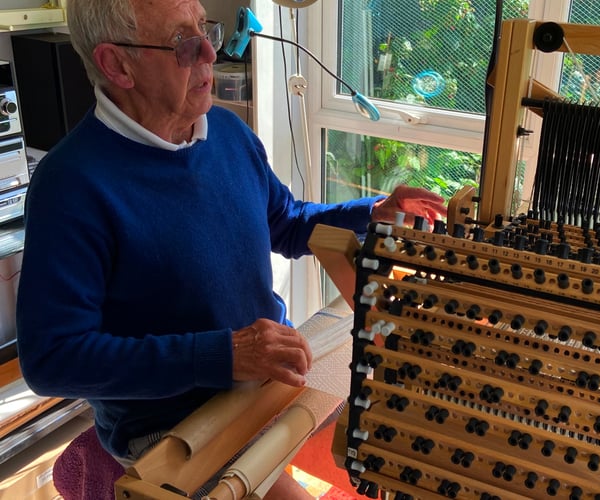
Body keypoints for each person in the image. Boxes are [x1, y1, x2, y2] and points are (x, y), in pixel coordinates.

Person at [15, 0, 446, 498]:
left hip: (267, 382)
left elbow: (284, 222)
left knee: (403, 440)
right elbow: (52, 360)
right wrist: (223, 355)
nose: (209, 54)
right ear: (117, 64)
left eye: (206, 29)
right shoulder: (70, 186)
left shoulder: (225, 133)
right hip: (177, 425)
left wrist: (370, 213)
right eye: (183, 43)